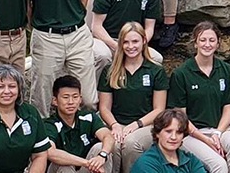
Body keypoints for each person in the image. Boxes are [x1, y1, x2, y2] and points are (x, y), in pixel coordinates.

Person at [168, 22, 230, 173]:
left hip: (220, 130)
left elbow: (227, 109)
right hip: (190, 133)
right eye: (203, 40)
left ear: (218, 44)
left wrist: (217, 134)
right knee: (219, 165)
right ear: (195, 43)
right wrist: (206, 140)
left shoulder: (226, 70)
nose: (207, 44)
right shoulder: (181, 73)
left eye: (211, 40)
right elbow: (181, 117)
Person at [98, 23, 168, 173]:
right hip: (117, 124)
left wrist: (137, 124)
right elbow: (104, 107)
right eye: (126, 42)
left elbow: (159, 109)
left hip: (146, 126)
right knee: (114, 144)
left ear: (143, 41)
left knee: (131, 143)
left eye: (135, 41)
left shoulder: (156, 70)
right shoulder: (110, 70)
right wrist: (115, 125)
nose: (131, 46)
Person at [45, 75, 117, 173]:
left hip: (85, 168)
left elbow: (107, 136)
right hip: (64, 169)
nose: (71, 102)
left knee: (101, 148)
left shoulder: (88, 116)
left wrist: (102, 155)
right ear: (55, 100)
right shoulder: (49, 124)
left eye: (75, 97)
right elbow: (51, 153)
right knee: (64, 165)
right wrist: (87, 163)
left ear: (80, 99)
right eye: (65, 97)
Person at [130, 109, 208, 173]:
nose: (173, 137)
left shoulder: (191, 160)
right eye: (168, 131)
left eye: (179, 132)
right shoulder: (145, 163)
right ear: (157, 133)